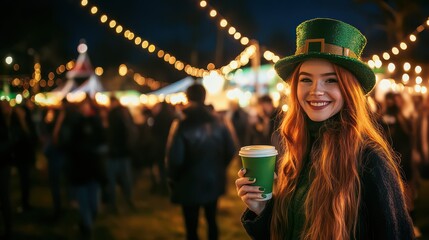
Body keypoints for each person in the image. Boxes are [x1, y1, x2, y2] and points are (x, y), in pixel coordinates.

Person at [235, 18, 414, 239]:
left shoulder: (369, 161)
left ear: (349, 90)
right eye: (306, 80)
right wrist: (261, 209)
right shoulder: (293, 148)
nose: (316, 90)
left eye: (330, 80)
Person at [166, 83, 237, 240]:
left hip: (188, 182)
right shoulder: (219, 121)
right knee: (212, 220)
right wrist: (219, 167)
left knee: (191, 227)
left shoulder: (181, 123)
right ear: (204, 97)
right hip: (213, 180)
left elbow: (175, 158)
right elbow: (231, 150)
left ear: (187, 97)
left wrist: (172, 178)